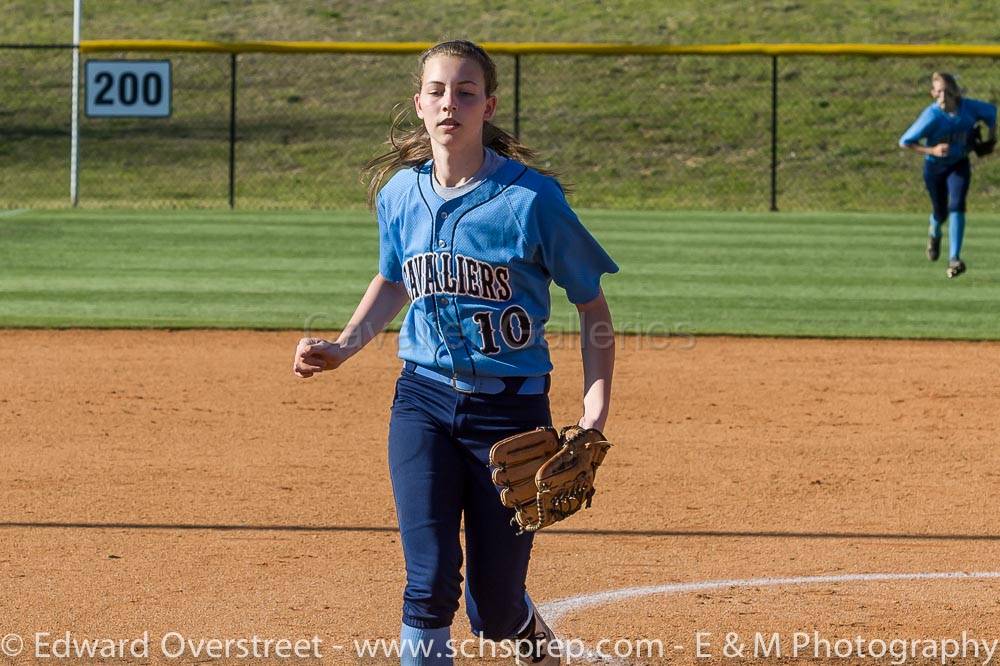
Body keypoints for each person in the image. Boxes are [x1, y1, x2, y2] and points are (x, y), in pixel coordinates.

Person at [292, 40, 617, 665]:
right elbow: (394, 278)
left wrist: (594, 415)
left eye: (466, 92)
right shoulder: (399, 195)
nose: (451, 103)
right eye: (438, 91)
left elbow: (592, 306)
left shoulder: (532, 201)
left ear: (488, 106)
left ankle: (532, 640)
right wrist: (343, 347)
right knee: (429, 580)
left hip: (512, 417)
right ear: (419, 105)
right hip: (422, 402)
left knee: (494, 609)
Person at [899, 71, 997, 278]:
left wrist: (992, 138)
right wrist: (931, 151)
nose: (943, 97)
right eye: (939, 92)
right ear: (933, 93)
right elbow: (905, 141)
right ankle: (934, 233)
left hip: (959, 164)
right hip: (935, 168)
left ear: (955, 93)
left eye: (947, 92)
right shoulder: (932, 116)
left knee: (957, 205)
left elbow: (992, 113)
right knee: (940, 213)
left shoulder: (968, 108)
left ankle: (954, 258)